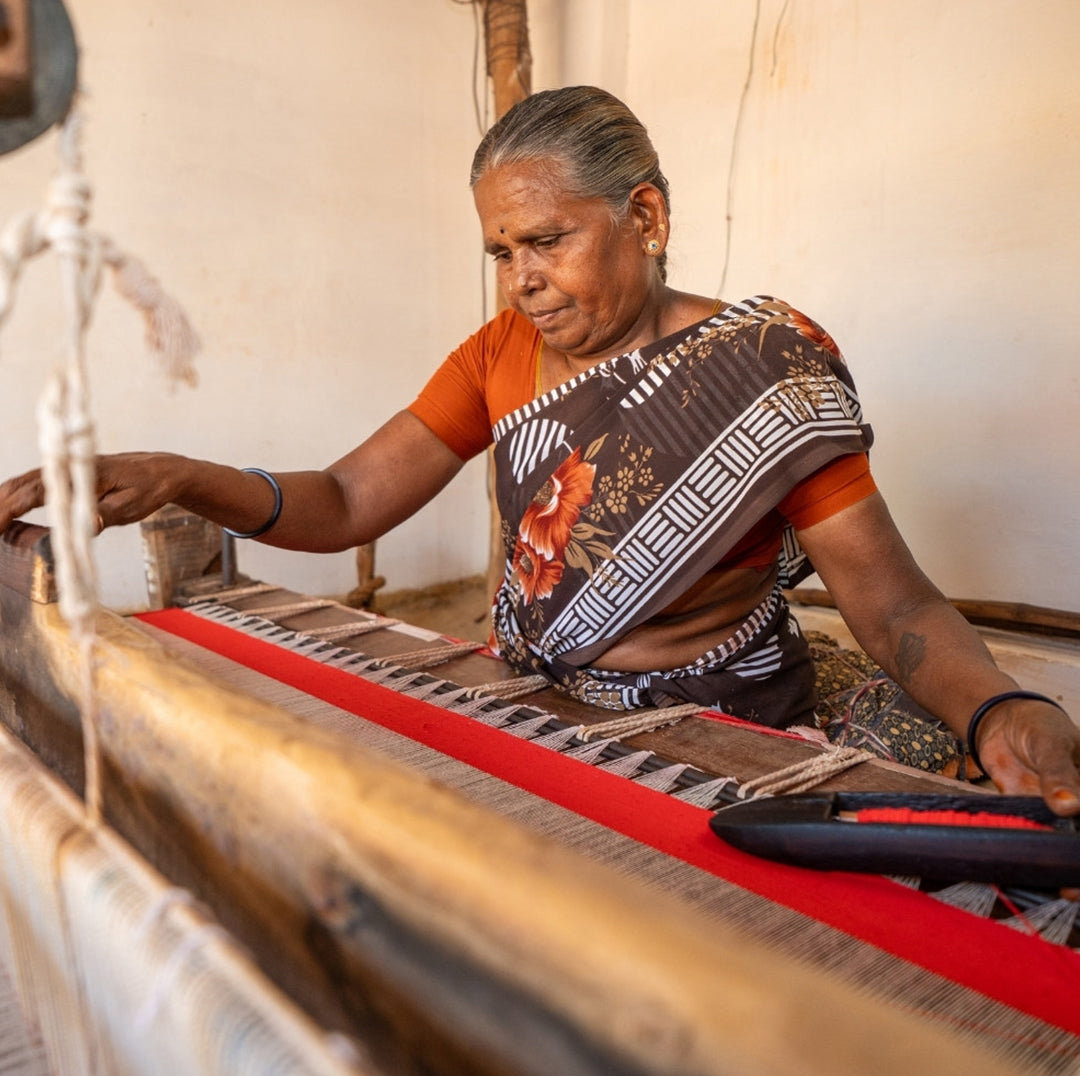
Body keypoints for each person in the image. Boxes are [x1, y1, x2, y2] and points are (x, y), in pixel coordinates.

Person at [1, 86, 1078, 816]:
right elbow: (342, 500)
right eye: (501, 250)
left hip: (715, 727)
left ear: (644, 214)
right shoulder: (499, 352)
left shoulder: (762, 370)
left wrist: (998, 706)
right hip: (537, 702)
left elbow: (892, 608)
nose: (520, 278)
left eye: (547, 240)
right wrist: (178, 473)